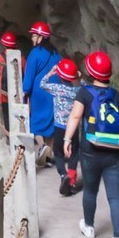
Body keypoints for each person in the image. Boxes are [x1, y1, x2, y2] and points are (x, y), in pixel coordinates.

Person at [63, 49, 119, 238]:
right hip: (114, 153)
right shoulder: (116, 95)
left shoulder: (84, 93)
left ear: (90, 72)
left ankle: (89, 227)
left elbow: (75, 117)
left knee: (91, 191)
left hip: (90, 150)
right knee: (115, 197)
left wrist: (67, 139)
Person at [40, 55, 81, 192]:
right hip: (73, 128)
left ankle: (63, 175)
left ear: (60, 76)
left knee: (58, 153)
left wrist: (50, 72)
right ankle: (72, 180)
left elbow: (42, 84)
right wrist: (78, 78)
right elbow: (87, 88)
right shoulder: (78, 91)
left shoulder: (57, 88)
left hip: (59, 127)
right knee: (74, 154)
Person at [21, 19, 60, 159]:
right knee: (51, 120)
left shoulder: (35, 53)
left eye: (34, 35)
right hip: (54, 91)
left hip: (40, 92)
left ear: (40, 37)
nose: (32, 37)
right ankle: (49, 154)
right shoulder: (56, 53)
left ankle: (42, 146)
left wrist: (25, 91)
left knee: (36, 121)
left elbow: (29, 74)